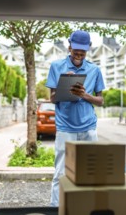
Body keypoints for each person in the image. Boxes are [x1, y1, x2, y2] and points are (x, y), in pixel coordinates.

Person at [45, 30, 105, 207]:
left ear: (88, 49)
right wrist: (65, 86)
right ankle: (56, 208)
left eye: (83, 51)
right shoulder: (56, 67)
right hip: (65, 128)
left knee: (90, 172)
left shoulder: (95, 70)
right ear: (69, 46)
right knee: (61, 173)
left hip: (88, 128)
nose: (79, 54)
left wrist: (85, 95)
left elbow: (100, 101)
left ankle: (88, 207)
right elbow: (53, 98)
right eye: (76, 50)